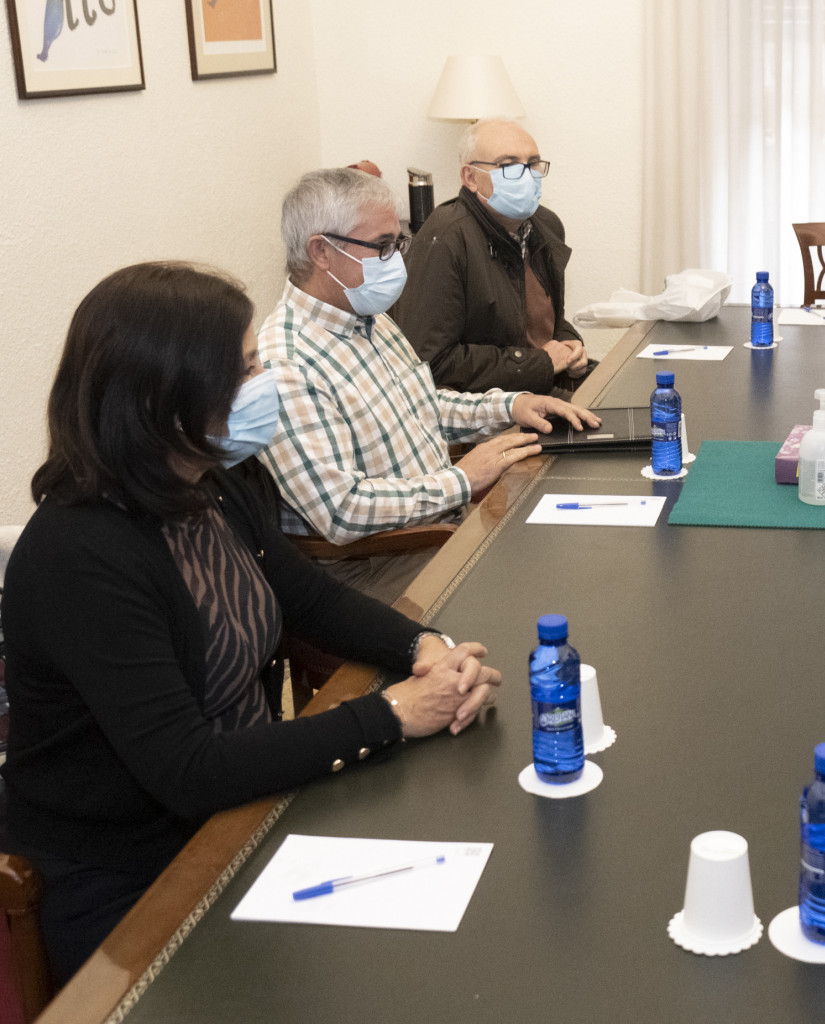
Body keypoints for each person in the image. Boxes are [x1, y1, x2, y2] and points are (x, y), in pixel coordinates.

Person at [2, 263, 501, 985]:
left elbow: (309, 599)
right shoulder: (81, 554)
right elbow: (188, 770)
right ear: (162, 395)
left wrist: (423, 646)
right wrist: (391, 714)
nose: (265, 381)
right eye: (244, 368)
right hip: (133, 874)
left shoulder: (209, 482)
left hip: (245, 805)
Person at [258, 167, 598, 602]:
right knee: (551, 587)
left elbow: (419, 407)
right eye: (382, 247)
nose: (396, 261)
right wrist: (461, 480)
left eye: (397, 243)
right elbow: (341, 510)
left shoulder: (370, 319)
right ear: (321, 252)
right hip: (369, 568)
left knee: (573, 547)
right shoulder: (285, 364)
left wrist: (511, 406)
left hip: (435, 530)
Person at [391, 118, 591, 396]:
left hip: (541, 386)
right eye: (508, 165)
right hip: (483, 406)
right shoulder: (445, 238)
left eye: (533, 164)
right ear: (470, 177)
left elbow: (545, 323)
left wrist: (570, 345)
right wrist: (538, 363)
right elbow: (430, 361)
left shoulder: (546, 225)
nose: (525, 175)